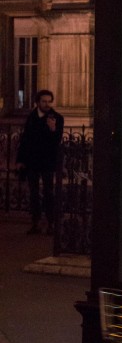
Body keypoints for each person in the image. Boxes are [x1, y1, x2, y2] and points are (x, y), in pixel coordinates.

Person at [16, 89, 64, 235]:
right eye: (44, 101)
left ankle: (51, 223)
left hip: (47, 160)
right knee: (34, 192)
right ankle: (35, 223)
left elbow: (56, 141)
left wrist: (53, 129)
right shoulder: (31, 117)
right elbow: (25, 140)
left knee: (49, 192)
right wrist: (20, 160)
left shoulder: (56, 117)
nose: (47, 104)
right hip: (32, 161)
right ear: (37, 102)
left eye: (49, 101)